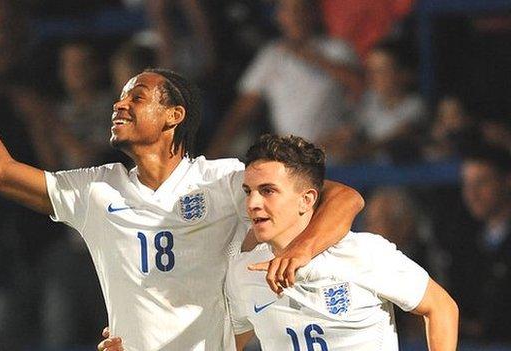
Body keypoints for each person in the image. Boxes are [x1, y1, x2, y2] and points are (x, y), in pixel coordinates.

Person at [0, 1, 363, 349]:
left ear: (175, 115)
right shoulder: (96, 189)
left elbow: (343, 197)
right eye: (119, 97)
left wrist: (301, 250)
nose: (120, 104)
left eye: (136, 96)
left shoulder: (223, 181)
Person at [227, 135, 458, 350]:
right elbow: (226, 343)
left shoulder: (363, 253)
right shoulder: (244, 272)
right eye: (248, 191)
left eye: (268, 191)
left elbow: (441, 307)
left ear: (306, 200)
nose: (252, 203)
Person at [207, 0, 362, 158]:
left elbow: (359, 85)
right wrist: (215, 151)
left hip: (335, 153)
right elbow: (243, 109)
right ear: (280, 17)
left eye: (301, 10)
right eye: (288, 11)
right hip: (291, 158)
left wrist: (310, 57)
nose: (296, 17)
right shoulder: (272, 55)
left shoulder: (337, 49)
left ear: (313, 14)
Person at [453, 145, 511, 342]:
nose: (472, 193)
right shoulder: (464, 241)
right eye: (467, 184)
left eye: (481, 182)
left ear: (506, 182)